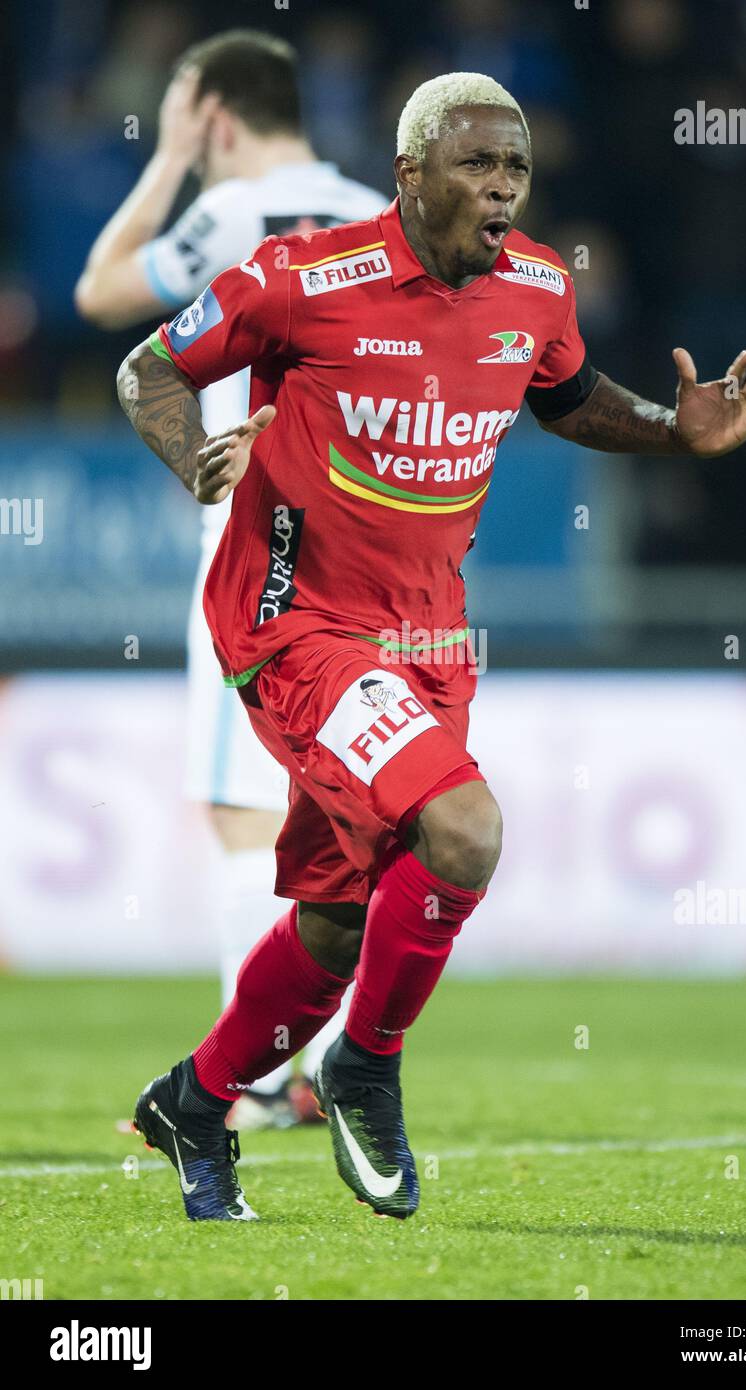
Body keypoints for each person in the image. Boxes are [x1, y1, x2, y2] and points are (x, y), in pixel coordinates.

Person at [116, 71, 746, 1221]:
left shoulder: (534, 287)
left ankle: (198, 1095)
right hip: (294, 623)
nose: (499, 189)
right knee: (464, 828)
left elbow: (566, 399)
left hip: (425, 632)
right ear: (409, 174)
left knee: (336, 922)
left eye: (514, 169)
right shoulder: (302, 281)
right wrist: (197, 463)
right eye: (475, 166)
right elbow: (150, 368)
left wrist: (676, 432)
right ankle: (363, 1067)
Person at [77, 30, 385, 1129]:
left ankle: (254, 1078)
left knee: (237, 816)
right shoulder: (379, 214)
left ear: (210, 113)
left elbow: (101, 291)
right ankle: (327, 1066)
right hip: (375, 555)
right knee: (344, 815)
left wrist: (164, 163)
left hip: (256, 561)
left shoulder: (232, 221)